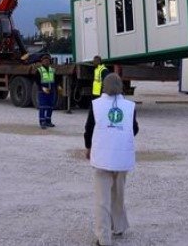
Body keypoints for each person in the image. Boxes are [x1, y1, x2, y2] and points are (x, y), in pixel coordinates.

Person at [84, 73, 139, 246]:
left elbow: (89, 129)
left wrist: (89, 147)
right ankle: (119, 227)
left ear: (104, 87)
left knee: (102, 199)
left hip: (102, 158)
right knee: (118, 194)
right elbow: (134, 129)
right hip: (122, 159)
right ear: (121, 86)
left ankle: (104, 238)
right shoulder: (130, 106)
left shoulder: (96, 105)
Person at [35, 54, 56, 129]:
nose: (46, 62)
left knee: (50, 106)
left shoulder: (52, 70)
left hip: (51, 90)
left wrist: (58, 87)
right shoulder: (39, 70)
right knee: (43, 107)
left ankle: (48, 121)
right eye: (45, 60)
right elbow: (37, 81)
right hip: (43, 91)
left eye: (48, 60)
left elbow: (55, 80)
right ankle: (42, 122)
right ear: (42, 62)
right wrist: (42, 88)